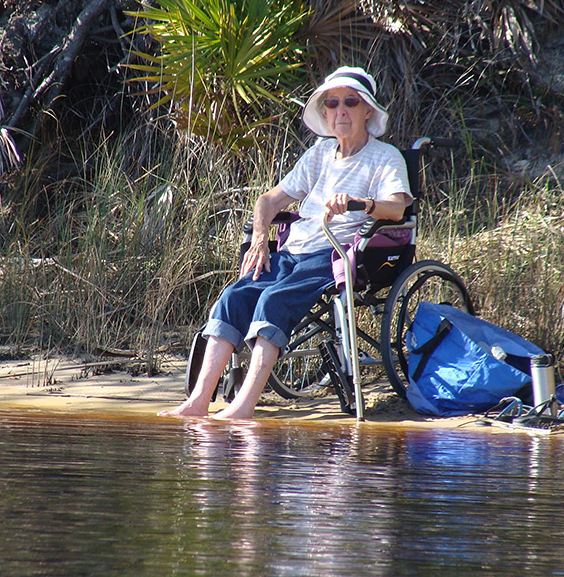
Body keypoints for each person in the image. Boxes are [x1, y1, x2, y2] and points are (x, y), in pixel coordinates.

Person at [159, 66, 413, 420]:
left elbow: (399, 207)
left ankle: (243, 406)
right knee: (235, 295)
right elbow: (267, 201)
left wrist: (361, 204)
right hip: (293, 250)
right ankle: (198, 401)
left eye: (350, 102)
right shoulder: (320, 154)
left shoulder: (385, 157)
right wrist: (260, 240)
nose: (341, 109)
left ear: (367, 109)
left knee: (272, 299)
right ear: (325, 111)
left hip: (339, 253)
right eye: (333, 102)